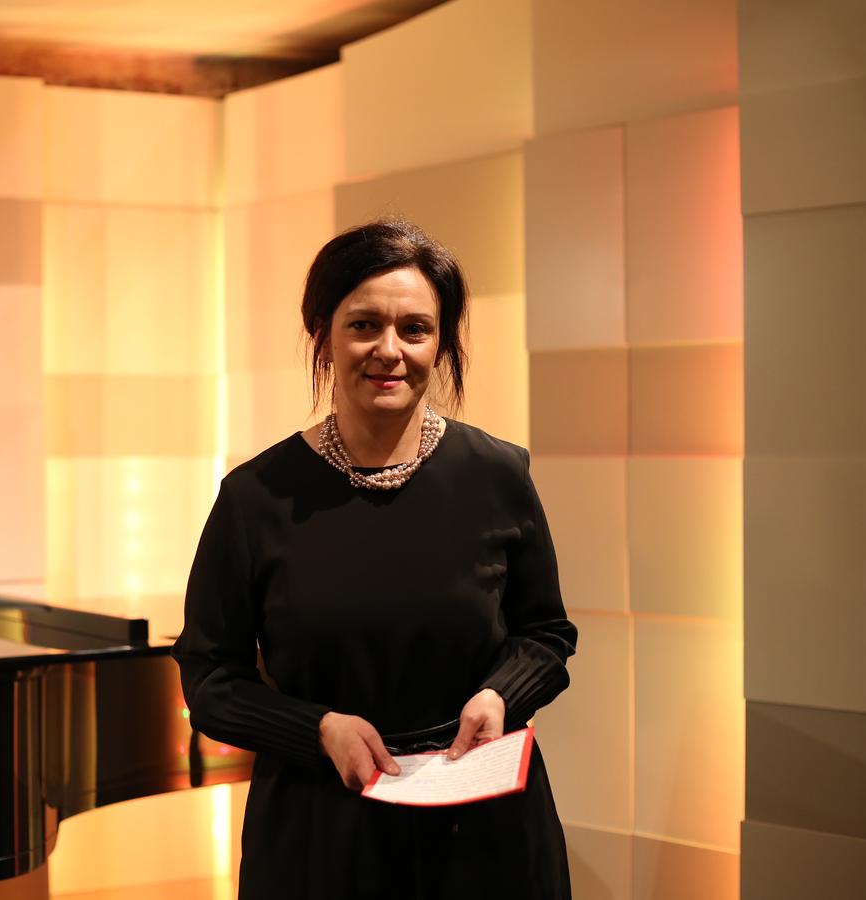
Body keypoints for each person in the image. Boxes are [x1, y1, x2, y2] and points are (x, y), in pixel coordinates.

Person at [173, 219, 578, 899]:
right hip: (322, 830)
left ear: (441, 344)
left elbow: (545, 633)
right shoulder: (255, 498)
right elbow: (209, 676)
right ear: (323, 335)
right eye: (364, 325)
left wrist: (499, 695)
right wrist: (317, 729)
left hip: (484, 827)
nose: (389, 351)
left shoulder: (498, 474)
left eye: (415, 330)